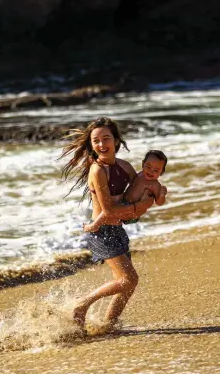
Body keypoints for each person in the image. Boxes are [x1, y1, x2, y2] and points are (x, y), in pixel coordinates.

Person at [60, 117, 155, 331]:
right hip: (101, 232)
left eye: (106, 139)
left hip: (118, 230)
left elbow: (141, 187)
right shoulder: (98, 171)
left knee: (126, 285)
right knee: (128, 280)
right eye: (96, 141)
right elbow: (109, 210)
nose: (102, 145)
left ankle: (109, 324)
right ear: (91, 146)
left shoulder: (125, 166)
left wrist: (156, 191)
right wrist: (138, 206)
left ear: (116, 140)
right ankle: (81, 304)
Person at [83, 150, 168, 232]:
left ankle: (94, 226)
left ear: (162, 172)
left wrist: (161, 194)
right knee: (110, 209)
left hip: (132, 212)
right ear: (143, 164)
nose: (151, 171)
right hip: (125, 204)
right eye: (148, 167)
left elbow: (159, 202)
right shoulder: (140, 174)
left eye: (156, 170)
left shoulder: (155, 185)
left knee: (110, 211)